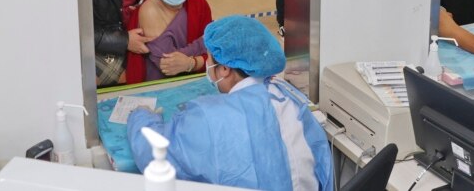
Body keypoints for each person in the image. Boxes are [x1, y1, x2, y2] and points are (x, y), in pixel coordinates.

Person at [127, 16, 334, 190]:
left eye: (209, 60)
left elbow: (155, 154)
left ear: (224, 68)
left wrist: (141, 116)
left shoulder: (209, 118)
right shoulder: (292, 99)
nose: (207, 65)